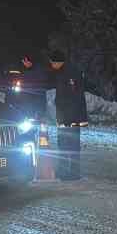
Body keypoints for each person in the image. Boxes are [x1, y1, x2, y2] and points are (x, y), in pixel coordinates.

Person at [49, 50, 87, 180]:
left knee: (69, 145)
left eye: (52, 63)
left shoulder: (69, 73)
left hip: (69, 118)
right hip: (65, 116)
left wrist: (68, 119)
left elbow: (74, 97)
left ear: (57, 62)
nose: (51, 65)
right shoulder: (63, 72)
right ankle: (66, 171)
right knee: (65, 145)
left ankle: (71, 173)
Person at [16, 53, 50, 121]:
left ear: (28, 61)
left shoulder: (38, 69)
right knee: (29, 112)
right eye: (23, 63)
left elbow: (41, 81)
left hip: (37, 95)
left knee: (38, 113)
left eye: (25, 62)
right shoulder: (25, 70)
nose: (24, 64)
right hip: (28, 96)